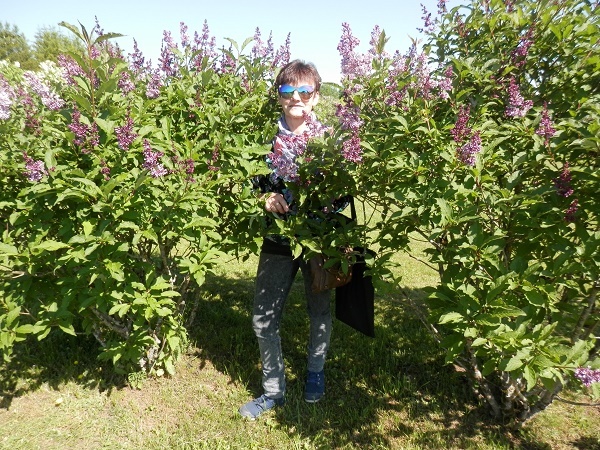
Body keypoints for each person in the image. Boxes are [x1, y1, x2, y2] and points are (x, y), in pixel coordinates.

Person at [239, 60, 349, 420]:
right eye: (288, 90)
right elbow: (246, 181)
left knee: (319, 310)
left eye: (304, 90)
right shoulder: (264, 140)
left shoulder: (330, 140)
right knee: (263, 317)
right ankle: (273, 391)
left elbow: (345, 194)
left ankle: (315, 373)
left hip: (319, 239)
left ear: (315, 96)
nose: (296, 97)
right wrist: (263, 197)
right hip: (279, 237)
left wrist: (327, 196)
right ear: (279, 96)